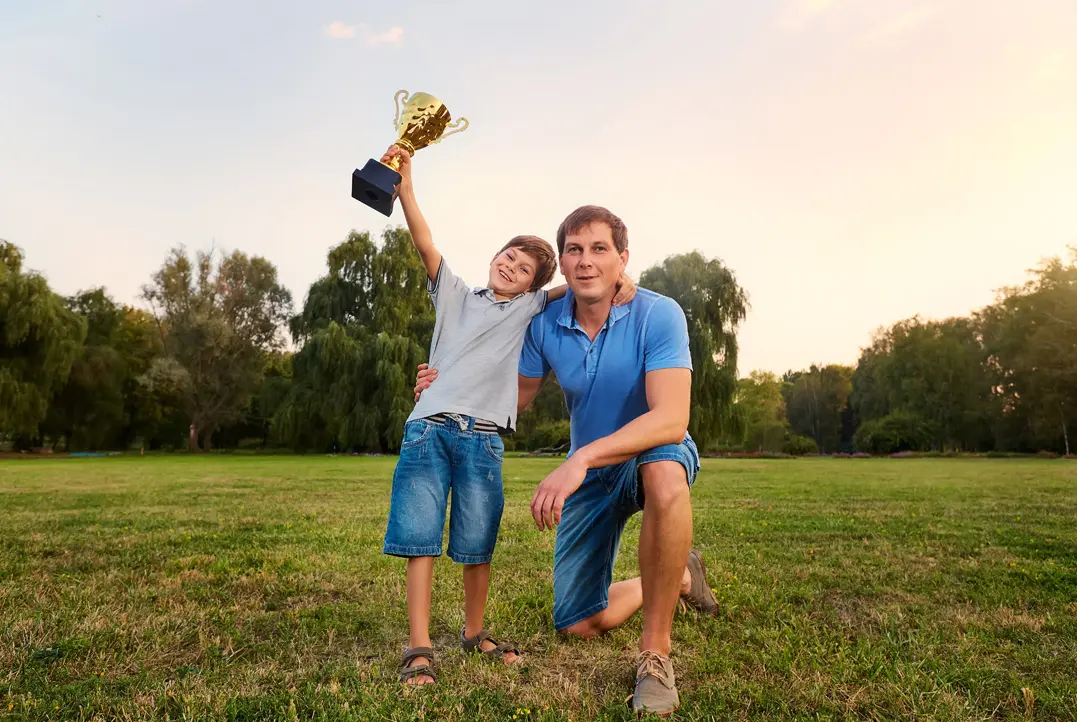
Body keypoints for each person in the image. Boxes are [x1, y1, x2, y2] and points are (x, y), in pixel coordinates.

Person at [415, 204, 718, 715]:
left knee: (665, 475)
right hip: (592, 475)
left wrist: (578, 460)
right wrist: (450, 390)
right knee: (578, 623)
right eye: (574, 250)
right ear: (562, 260)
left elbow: (671, 420)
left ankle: (655, 655)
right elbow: (510, 400)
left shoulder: (659, 313)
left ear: (623, 258)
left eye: (599, 249)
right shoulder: (547, 323)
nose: (585, 261)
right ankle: (677, 576)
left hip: (649, 450)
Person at [380, 146, 635, 687]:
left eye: (523, 269)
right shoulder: (452, 295)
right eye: (507, 256)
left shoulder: (530, 310)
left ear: (531, 287)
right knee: (420, 540)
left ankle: (475, 633)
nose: (510, 266)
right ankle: (419, 646)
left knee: (478, 541)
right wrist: (404, 187)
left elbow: (577, 279)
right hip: (429, 431)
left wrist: (620, 283)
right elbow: (424, 241)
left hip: (484, 440)